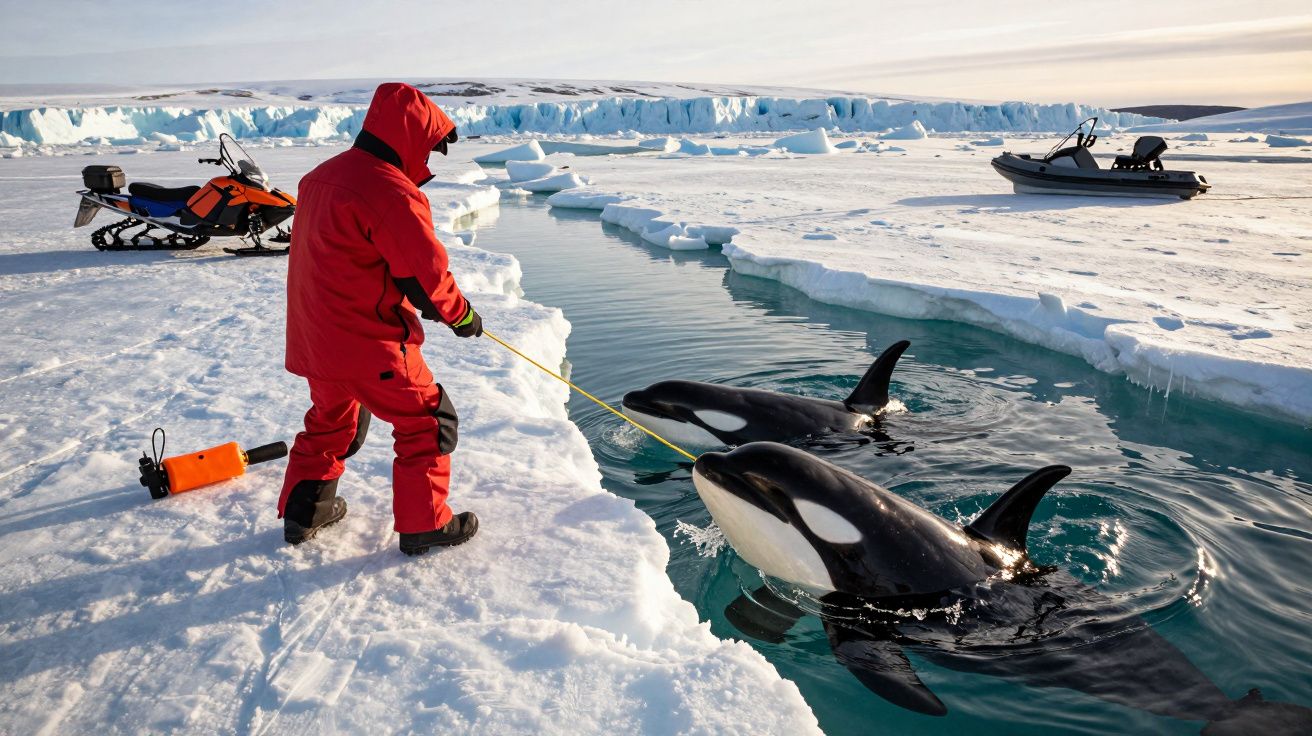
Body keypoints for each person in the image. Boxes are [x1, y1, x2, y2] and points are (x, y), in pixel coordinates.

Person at [278, 82, 481, 556]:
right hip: (368, 342)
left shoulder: (319, 177)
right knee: (428, 421)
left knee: (330, 423)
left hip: (314, 338)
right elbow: (426, 281)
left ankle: (306, 514)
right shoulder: (390, 190)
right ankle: (424, 524)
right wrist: (463, 315)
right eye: (429, 145)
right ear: (411, 136)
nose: (429, 157)